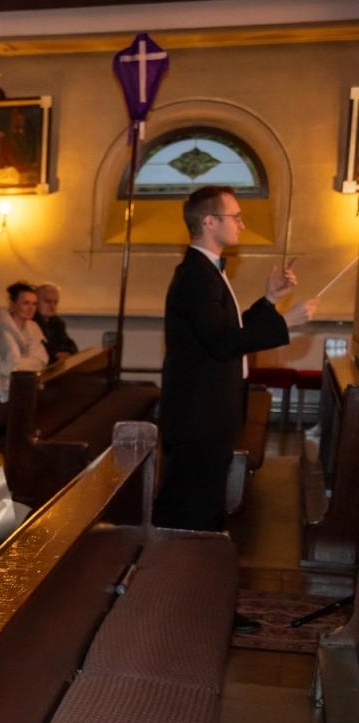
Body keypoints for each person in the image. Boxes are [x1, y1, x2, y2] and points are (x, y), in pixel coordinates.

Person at [155, 185, 315, 533]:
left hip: (208, 412)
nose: (242, 224)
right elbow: (222, 343)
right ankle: (173, 566)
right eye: (236, 217)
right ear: (209, 222)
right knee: (189, 513)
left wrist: (270, 300)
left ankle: (188, 562)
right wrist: (286, 323)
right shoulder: (196, 276)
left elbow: (229, 330)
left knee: (201, 505)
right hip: (198, 415)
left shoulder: (206, 270)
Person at [0, 281, 50, 400]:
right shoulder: (1, 330)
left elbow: (43, 359)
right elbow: (12, 366)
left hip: (23, 387)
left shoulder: (32, 328)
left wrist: (26, 362)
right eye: (25, 303)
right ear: (13, 305)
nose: (31, 308)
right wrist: (32, 362)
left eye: (34, 304)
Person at [34, 282, 78, 361]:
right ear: (35, 302)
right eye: (47, 301)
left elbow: (71, 346)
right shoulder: (31, 323)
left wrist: (69, 353)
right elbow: (40, 350)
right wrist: (57, 355)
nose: (52, 306)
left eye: (55, 302)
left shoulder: (57, 323)